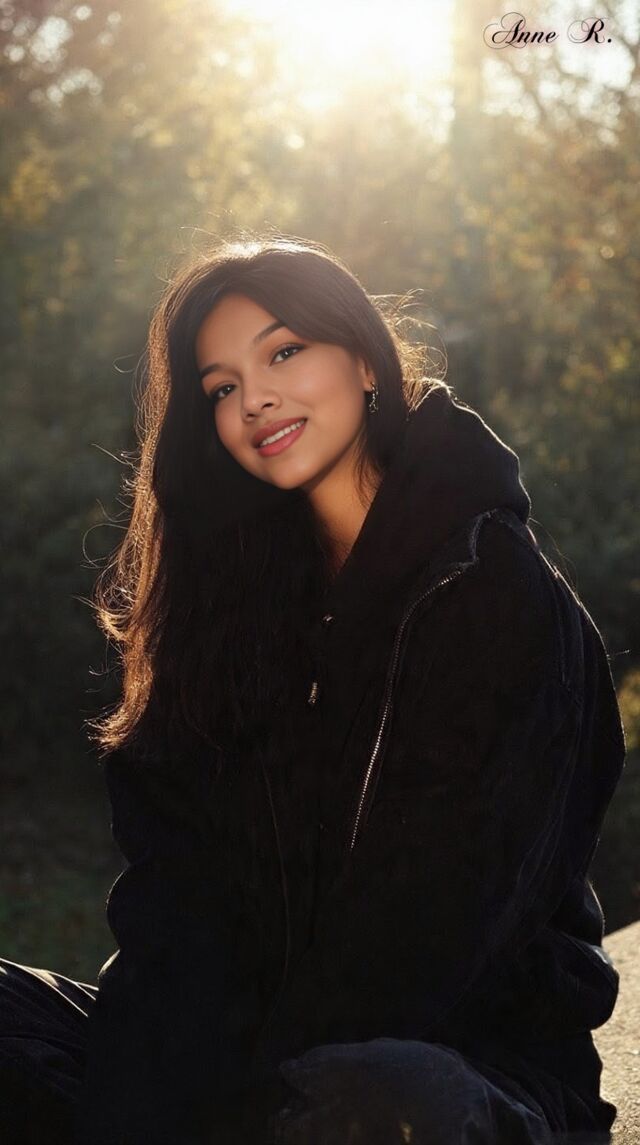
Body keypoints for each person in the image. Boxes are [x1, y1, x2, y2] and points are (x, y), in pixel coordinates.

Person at [0, 236, 626, 1145]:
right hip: (230, 1063)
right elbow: (175, 900)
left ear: (367, 361)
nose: (253, 398)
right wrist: (153, 1096)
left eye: (284, 351)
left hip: (458, 1066)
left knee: (374, 1096)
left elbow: (438, 936)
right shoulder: (229, 602)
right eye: (221, 387)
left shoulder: (493, 592)